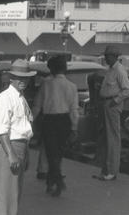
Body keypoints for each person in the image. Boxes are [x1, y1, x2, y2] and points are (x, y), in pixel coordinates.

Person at [0, 62, 35, 215]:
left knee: (14, 197)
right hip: (8, 148)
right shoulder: (4, 98)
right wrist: (11, 155)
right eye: (18, 77)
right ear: (11, 78)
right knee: (6, 200)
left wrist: (25, 153)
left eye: (26, 78)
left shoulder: (21, 98)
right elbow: (2, 131)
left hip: (20, 148)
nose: (23, 81)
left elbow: (23, 129)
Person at [34, 55, 79, 197]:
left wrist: (29, 121)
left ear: (51, 69)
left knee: (50, 151)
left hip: (49, 121)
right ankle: (51, 180)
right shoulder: (72, 86)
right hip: (64, 121)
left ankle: (56, 180)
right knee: (58, 153)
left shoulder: (46, 84)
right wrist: (74, 128)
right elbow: (74, 110)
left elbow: (37, 105)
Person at [96, 48, 129, 181]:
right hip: (106, 103)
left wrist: (115, 101)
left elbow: (128, 89)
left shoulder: (119, 70)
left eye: (108, 56)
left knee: (112, 139)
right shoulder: (110, 70)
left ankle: (112, 171)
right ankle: (106, 170)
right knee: (106, 138)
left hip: (112, 105)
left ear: (114, 56)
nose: (106, 58)